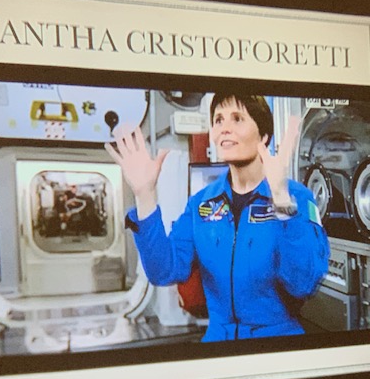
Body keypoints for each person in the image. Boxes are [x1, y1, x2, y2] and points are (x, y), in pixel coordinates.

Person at [105, 94, 330, 341]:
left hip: (278, 340)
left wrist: (281, 200)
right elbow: (164, 271)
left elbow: (302, 284)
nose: (225, 128)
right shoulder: (201, 203)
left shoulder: (297, 197)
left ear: (263, 136)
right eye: (219, 120)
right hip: (219, 341)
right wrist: (144, 195)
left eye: (237, 119)